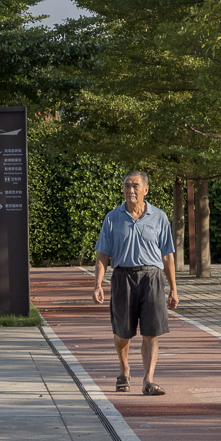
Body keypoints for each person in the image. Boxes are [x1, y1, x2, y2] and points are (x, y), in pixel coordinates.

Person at [92, 169, 179, 397]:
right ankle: (124, 368)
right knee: (123, 332)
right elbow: (103, 255)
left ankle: (149, 380)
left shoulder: (159, 217)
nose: (130, 190)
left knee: (151, 331)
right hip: (122, 277)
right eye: (127, 186)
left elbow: (168, 256)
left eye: (135, 186)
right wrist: (98, 284)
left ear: (146, 190)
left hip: (152, 278)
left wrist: (174, 289)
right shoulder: (112, 218)